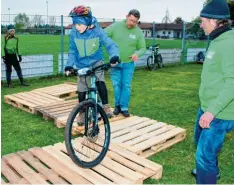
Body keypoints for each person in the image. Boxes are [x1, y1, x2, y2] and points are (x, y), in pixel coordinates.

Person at [191, 0, 234, 184]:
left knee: (204, 156)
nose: (201, 25)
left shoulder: (229, 44)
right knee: (199, 140)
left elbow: (232, 83)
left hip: (219, 113)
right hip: (208, 107)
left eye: (203, 21)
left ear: (215, 21)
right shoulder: (217, 40)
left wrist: (211, 111)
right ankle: (211, 170)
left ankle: (207, 170)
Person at [64, 5, 120, 124]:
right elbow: (73, 51)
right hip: (81, 63)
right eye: (75, 24)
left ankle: (105, 106)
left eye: (79, 24)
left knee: (100, 80)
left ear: (87, 21)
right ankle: (82, 113)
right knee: (81, 89)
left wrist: (114, 56)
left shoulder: (98, 31)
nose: (76, 27)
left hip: (96, 61)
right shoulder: (74, 33)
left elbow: (110, 44)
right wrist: (69, 65)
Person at [105, 9, 146, 117]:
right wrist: (110, 47)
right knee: (116, 85)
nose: (132, 23)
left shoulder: (138, 32)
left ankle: (124, 107)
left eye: (135, 22)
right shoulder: (115, 26)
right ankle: (117, 106)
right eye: (131, 20)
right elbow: (104, 35)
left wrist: (137, 53)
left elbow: (142, 48)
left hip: (128, 64)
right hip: (115, 63)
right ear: (127, 16)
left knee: (126, 85)